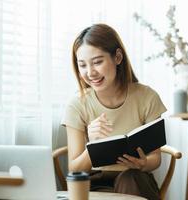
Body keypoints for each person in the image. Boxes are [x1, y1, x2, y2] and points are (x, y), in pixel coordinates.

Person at [61, 23, 166, 200]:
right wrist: (91, 146)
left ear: (117, 57)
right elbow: (75, 169)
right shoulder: (77, 104)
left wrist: (143, 163)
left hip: (135, 179)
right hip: (96, 181)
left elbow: (156, 158)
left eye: (97, 62)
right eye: (82, 65)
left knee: (130, 179)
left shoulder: (147, 97)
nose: (90, 72)